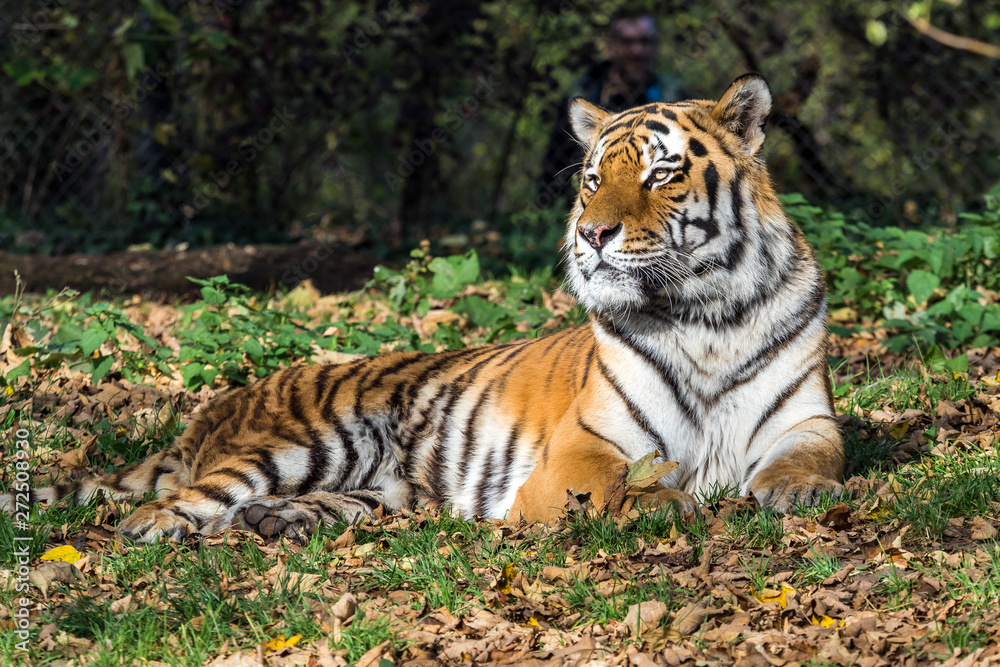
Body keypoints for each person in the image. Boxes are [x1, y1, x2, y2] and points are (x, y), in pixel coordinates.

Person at [538, 15, 690, 208]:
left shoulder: (672, 93)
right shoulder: (584, 95)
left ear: (654, 46)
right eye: (627, 42)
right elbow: (556, 165)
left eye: (644, 41)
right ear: (611, 46)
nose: (637, 51)